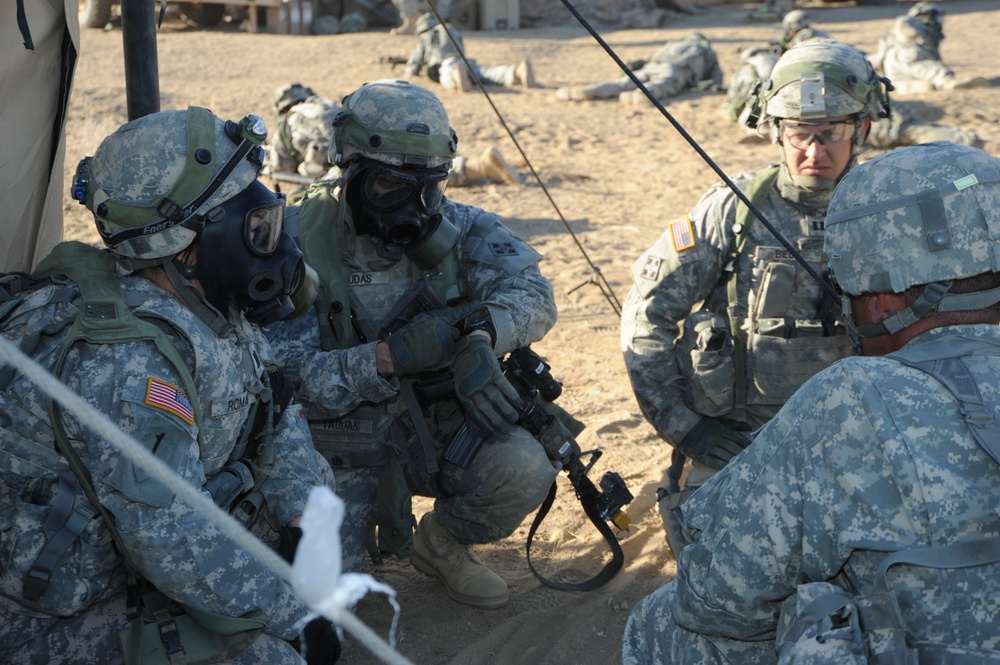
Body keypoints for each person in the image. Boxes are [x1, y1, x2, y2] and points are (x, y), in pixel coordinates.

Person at [622, 141, 1000, 665]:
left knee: (661, 622)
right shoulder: (731, 209)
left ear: (883, 300)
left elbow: (717, 599)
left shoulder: (850, 398)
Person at [0, 108, 340, 663]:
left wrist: (302, 520)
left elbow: (274, 412)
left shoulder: (204, 303)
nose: (275, 243)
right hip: (44, 617)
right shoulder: (127, 365)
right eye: (256, 228)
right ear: (183, 246)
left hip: (133, 556)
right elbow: (170, 538)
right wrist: (295, 613)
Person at [266, 79, 558, 610]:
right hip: (327, 447)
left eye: (430, 187)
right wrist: (382, 359)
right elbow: (271, 384)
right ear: (349, 168)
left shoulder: (458, 225)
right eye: (390, 187)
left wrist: (483, 332)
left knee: (524, 467)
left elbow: (534, 293)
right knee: (318, 605)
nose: (415, 207)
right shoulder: (290, 244)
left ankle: (441, 545)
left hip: (423, 428)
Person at [621, 40, 889, 556]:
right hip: (742, 440)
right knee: (728, 563)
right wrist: (688, 430)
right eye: (798, 133)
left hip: (862, 439)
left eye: (831, 132)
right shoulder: (733, 211)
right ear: (774, 131)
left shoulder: (891, 209)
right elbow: (646, 316)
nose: (814, 150)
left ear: (863, 128)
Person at [266, 82, 521, 195]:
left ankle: (477, 167)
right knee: (414, 163)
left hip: (340, 160)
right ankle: (476, 165)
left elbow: (282, 168)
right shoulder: (324, 104)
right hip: (365, 142)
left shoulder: (288, 123)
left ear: (283, 108)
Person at [555, 32, 722, 105]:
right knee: (663, 84)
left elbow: (651, 57)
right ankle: (642, 95)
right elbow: (717, 78)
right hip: (677, 69)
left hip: (652, 65)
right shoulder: (707, 51)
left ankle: (592, 89)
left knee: (622, 82)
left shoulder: (674, 43)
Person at [872, 1, 988, 93]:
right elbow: (903, 26)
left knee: (901, 81)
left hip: (891, 67)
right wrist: (911, 34)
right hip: (907, 54)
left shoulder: (930, 35)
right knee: (929, 68)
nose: (937, 22)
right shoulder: (913, 22)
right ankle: (948, 82)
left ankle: (917, 87)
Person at [405, 13, 536, 93]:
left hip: (447, 63)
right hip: (464, 61)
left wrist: (412, 70)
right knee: (488, 73)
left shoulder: (427, 35)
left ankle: (456, 75)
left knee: (447, 77)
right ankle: (516, 71)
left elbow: (414, 65)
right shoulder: (451, 29)